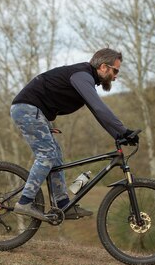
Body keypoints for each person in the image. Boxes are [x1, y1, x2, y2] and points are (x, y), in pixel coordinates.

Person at [10, 48, 139, 221]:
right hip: (27, 109)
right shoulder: (82, 75)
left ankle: (62, 204)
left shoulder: (86, 78)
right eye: (115, 70)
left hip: (34, 112)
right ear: (103, 67)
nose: (116, 76)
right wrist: (124, 131)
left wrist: (117, 135)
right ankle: (24, 202)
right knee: (47, 154)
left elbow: (96, 112)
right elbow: (99, 107)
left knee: (56, 154)